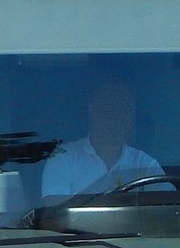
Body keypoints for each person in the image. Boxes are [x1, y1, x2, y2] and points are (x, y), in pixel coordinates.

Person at [41, 80, 169, 200]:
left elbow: (169, 207)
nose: (116, 117)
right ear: (92, 111)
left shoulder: (145, 164)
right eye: (110, 108)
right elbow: (54, 213)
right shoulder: (63, 157)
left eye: (124, 110)